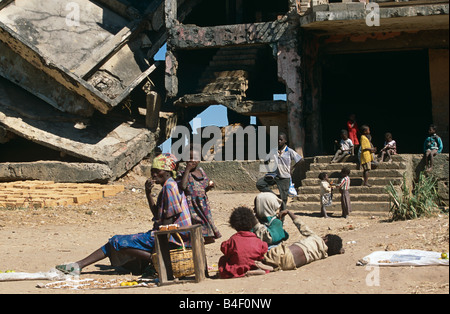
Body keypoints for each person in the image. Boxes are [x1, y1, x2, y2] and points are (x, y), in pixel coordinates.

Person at [55, 153, 192, 276]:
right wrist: (148, 193)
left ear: (168, 171)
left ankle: (153, 259)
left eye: (158, 171)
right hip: (172, 234)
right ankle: (79, 265)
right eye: (152, 171)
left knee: (116, 241)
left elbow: (166, 225)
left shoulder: (169, 187)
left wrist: (157, 249)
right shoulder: (170, 185)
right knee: (124, 242)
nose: (154, 175)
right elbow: (158, 215)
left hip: (172, 237)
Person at [260, 209, 344, 272]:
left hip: (284, 253)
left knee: (266, 253)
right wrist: (339, 250)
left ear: (325, 239)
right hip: (290, 265)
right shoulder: (324, 254)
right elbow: (337, 250)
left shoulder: (316, 238)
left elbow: (301, 225)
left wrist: (289, 212)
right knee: (273, 264)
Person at [178, 147, 221, 244]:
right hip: (192, 204)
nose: (192, 160)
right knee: (196, 222)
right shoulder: (182, 173)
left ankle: (207, 237)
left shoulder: (201, 172)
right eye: (190, 157)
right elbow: (183, 186)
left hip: (202, 203)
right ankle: (198, 240)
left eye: (195, 158)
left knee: (206, 220)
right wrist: (187, 170)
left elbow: (203, 187)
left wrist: (209, 187)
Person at [218, 207, 270, 279]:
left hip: (236, 269)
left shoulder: (232, 240)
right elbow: (263, 250)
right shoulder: (257, 240)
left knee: (223, 259)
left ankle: (243, 273)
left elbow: (225, 249)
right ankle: (255, 270)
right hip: (253, 266)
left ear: (234, 225)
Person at [256, 132, 303, 208]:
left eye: (281, 140)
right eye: (277, 140)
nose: (279, 141)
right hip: (274, 175)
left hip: (284, 177)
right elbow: (266, 160)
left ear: (285, 141)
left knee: (284, 200)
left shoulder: (289, 151)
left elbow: (300, 160)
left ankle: (282, 217)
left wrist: (292, 168)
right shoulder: (273, 150)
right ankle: (275, 196)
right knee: (260, 184)